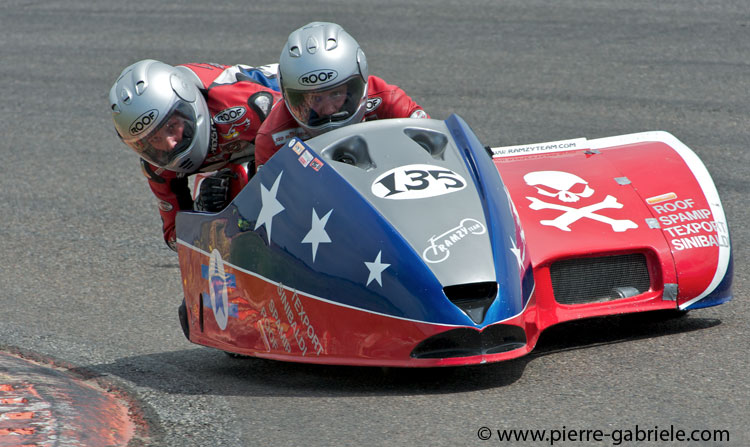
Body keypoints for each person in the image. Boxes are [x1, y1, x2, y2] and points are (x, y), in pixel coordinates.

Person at [109, 60, 282, 250]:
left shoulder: (244, 104)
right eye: (154, 140)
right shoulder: (158, 168)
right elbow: (175, 237)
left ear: (188, 106)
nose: (170, 144)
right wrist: (203, 214)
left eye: (171, 126)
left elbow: (305, 136)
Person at [254, 22, 429, 169]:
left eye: (336, 94)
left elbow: (433, 145)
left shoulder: (387, 99)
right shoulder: (273, 137)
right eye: (315, 98)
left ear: (356, 84)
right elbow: (266, 201)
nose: (329, 110)